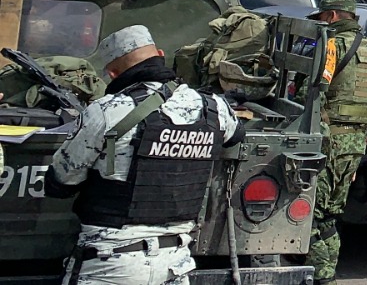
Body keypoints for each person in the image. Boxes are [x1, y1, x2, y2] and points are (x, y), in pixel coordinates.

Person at [44, 25, 241, 285]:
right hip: (175, 265)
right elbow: (235, 136)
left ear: (112, 73)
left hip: (110, 266)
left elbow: (60, 183)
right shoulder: (214, 107)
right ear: (160, 55)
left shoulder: (105, 111)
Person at [307, 0, 367, 285]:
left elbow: (313, 92)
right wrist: (359, 146)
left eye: (321, 17)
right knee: (330, 215)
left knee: (312, 216)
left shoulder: (332, 46)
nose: (320, 23)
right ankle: (327, 274)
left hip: (328, 144)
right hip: (353, 147)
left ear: (333, 16)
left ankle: (323, 277)